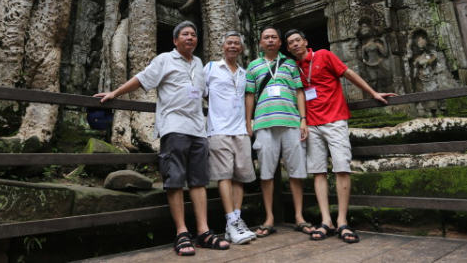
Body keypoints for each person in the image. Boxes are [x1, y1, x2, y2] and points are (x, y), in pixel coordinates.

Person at [95, 21, 229, 256]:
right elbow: (141, 79)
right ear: (175, 40)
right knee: (175, 180)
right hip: (174, 127)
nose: (190, 37)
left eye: (194, 34)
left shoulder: (199, 64)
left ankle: (204, 231)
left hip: (198, 129)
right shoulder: (164, 60)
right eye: (185, 34)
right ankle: (181, 232)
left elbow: (210, 93)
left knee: (199, 181)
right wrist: (115, 93)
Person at [285, 29, 396, 243]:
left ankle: (342, 221)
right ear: (288, 48)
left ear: (305, 41)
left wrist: (372, 93)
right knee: (318, 171)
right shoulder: (293, 68)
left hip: (335, 119)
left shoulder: (324, 55)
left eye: (298, 40)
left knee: (341, 167)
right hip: (312, 124)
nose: (295, 44)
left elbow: (348, 73)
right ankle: (326, 220)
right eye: (291, 43)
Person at [245, 26, 313, 238]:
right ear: (260, 43)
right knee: (266, 173)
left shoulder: (290, 64)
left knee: (296, 171)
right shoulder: (253, 66)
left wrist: (303, 120)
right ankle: (269, 218)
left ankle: (299, 217)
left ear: (280, 43)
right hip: (264, 124)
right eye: (266, 37)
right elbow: (249, 96)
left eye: (274, 37)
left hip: (291, 122)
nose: (271, 40)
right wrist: (248, 121)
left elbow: (300, 92)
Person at [204, 31, 256, 244]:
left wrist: (247, 123)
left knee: (240, 175)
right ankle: (231, 221)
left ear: (241, 48)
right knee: (224, 174)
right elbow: (201, 92)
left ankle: (235, 222)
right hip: (218, 129)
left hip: (240, 130)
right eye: (229, 43)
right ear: (222, 46)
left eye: (237, 43)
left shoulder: (244, 73)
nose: (233, 46)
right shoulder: (210, 68)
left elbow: (247, 98)